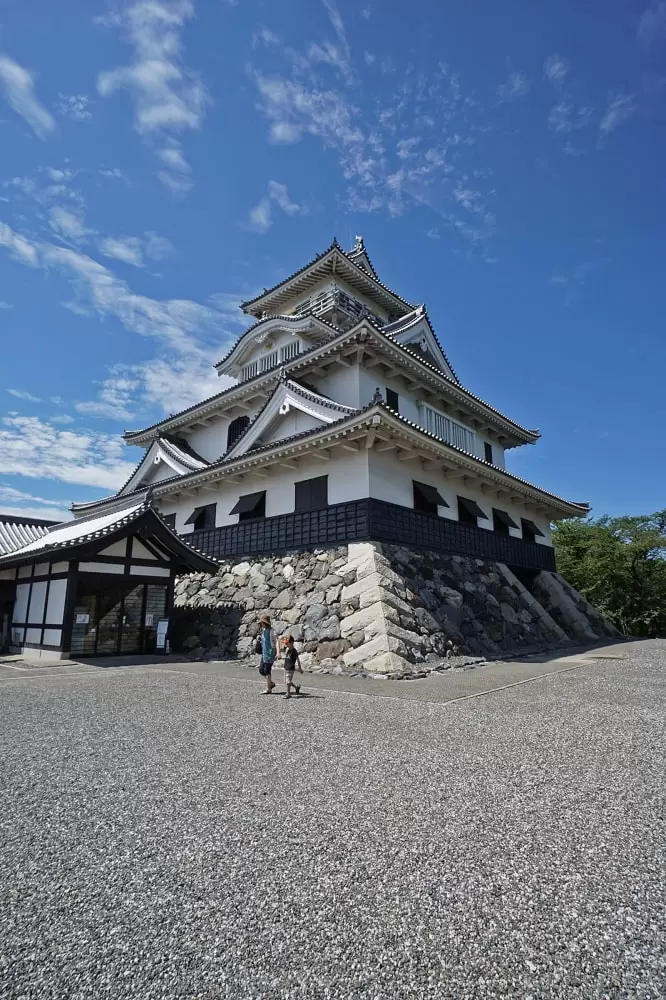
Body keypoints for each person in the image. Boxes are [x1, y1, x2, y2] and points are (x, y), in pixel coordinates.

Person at [258, 615, 277, 694]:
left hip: (269, 653)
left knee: (267, 670)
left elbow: (275, 642)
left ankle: (268, 688)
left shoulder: (271, 631)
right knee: (261, 670)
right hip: (264, 653)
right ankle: (270, 683)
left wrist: (276, 652)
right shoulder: (264, 631)